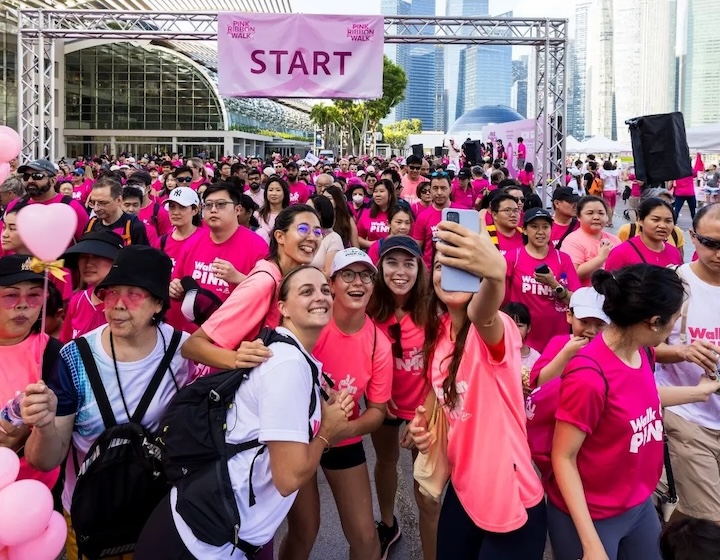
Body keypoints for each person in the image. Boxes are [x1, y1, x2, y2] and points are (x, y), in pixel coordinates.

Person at [133, 265, 354, 560]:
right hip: (198, 542)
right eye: (306, 291)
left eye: (325, 290)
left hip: (212, 527)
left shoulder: (295, 356)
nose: (320, 297)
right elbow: (288, 478)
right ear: (283, 308)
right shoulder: (288, 366)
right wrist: (328, 432)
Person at [21, 246, 196, 560]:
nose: (117, 305)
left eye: (133, 294)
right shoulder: (74, 358)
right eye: (110, 293)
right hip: (91, 516)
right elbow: (46, 460)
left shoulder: (185, 354)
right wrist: (44, 427)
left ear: (158, 302)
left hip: (157, 513)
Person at [548, 265, 720, 560]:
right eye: (674, 323)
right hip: (592, 515)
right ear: (654, 322)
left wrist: (698, 390)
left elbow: (642, 397)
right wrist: (590, 545)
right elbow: (563, 457)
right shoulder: (589, 376)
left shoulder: (638, 350)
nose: (674, 332)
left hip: (638, 505)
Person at [410, 216, 547, 559]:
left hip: (510, 495)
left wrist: (495, 273)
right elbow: (447, 398)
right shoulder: (439, 329)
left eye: (461, 265)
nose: (448, 273)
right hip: (463, 488)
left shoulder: (493, 328)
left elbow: (484, 311)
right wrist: (424, 426)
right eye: (441, 265)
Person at [181, 205, 323, 376]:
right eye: (303, 229)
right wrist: (236, 359)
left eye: (317, 232)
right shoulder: (263, 283)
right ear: (280, 236)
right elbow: (192, 346)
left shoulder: (285, 279)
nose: (312, 238)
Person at [366, 236, 441, 560]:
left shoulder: (434, 310)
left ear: (419, 268)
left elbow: (442, 369)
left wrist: (423, 413)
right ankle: (387, 522)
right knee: (386, 461)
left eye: (408, 264)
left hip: (424, 406)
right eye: (392, 263)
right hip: (383, 405)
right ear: (380, 267)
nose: (400, 271)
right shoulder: (369, 307)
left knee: (427, 490)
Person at [655, 203, 720, 524]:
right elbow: (640, 348)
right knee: (711, 521)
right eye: (711, 244)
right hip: (688, 417)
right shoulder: (674, 285)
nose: (719, 253)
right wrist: (683, 351)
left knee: (693, 516)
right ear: (692, 237)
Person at [525, 287, 610, 483]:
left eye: (599, 324)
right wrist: (565, 354)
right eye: (585, 322)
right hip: (552, 427)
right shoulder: (559, 343)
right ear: (569, 316)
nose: (591, 330)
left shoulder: (606, 352)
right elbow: (539, 384)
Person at [0, 255, 64, 489]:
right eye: (10, 295)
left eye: (34, 295)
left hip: (32, 496)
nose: (23, 304)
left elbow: (56, 445)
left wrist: (37, 430)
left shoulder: (55, 356)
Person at [169, 183, 268, 332]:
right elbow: (178, 280)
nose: (213, 210)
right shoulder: (193, 242)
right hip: (192, 336)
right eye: (208, 205)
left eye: (221, 204)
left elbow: (268, 293)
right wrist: (175, 289)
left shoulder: (257, 246)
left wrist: (239, 278)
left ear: (237, 209)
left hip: (233, 336)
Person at [504, 207, 580, 352]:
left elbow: (576, 301)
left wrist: (554, 284)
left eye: (545, 227)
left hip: (556, 339)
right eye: (534, 227)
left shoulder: (563, 259)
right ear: (524, 230)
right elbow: (501, 299)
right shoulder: (513, 258)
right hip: (522, 339)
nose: (540, 232)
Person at [59, 231, 124, 342]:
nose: (88, 263)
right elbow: (65, 345)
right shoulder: (78, 301)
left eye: (97, 256)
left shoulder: (127, 303)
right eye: (83, 257)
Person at [9, 159, 89, 241]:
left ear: (53, 181)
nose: (30, 180)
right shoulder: (15, 205)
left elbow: (85, 243)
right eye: (26, 176)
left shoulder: (72, 207)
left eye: (37, 176)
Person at [605, 198, 682, 270]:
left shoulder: (674, 253)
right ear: (640, 221)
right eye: (655, 220)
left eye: (668, 221)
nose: (662, 226)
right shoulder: (621, 253)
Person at [561, 196, 621, 287]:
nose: (596, 217)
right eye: (590, 213)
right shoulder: (572, 241)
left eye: (601, 213)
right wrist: (601, 258)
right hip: (584, 297)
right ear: (579, 217)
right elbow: (574, 274)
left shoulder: (615, 240)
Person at [617, 188, 685, 256]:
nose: (662, 226)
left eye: (668, 205)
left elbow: (680, 260)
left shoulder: (675, 232)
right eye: (658, 204)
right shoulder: (628, 231)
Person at [85, 176, 150, 246]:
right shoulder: (91, 225)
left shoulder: (134, 227)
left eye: (103, 203)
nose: (96, 209)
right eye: (93, 203)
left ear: (119, 200)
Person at [414, 174, 456, 270]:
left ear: (450, 189)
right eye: (435, 188)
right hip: (430, 272)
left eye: (443, 188)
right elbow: (416, 249)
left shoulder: (462, 212)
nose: (439, 192)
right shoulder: (422, 217)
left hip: (458, 270)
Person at [308, 195, 343, 276]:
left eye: (309, 209)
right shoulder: (302, 235)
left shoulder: (334, 238)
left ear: (320, 213)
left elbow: (329, 274)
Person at [357, 179, 397, 250]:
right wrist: (373, 244)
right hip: (373, 255)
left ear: (390, 194)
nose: (378, 194)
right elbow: (358, 237)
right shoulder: (367, 213)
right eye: (375, 191)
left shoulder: (399, 213)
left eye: (381, 191)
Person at [256, 175, 290, 243]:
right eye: (271, 190)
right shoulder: (257, 215)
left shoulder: (290, 216)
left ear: (284, 194)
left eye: (278, 190)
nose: (274, 193)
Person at [598, 161, 620, 227]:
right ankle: (610, 220)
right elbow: (617, 182)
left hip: (606, 190)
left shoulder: (603, 173)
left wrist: (601, 190)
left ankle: (609, 222)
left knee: (608, 206)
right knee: (613, 206)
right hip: (614, 190)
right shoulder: (615, 173)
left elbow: (603, 183)